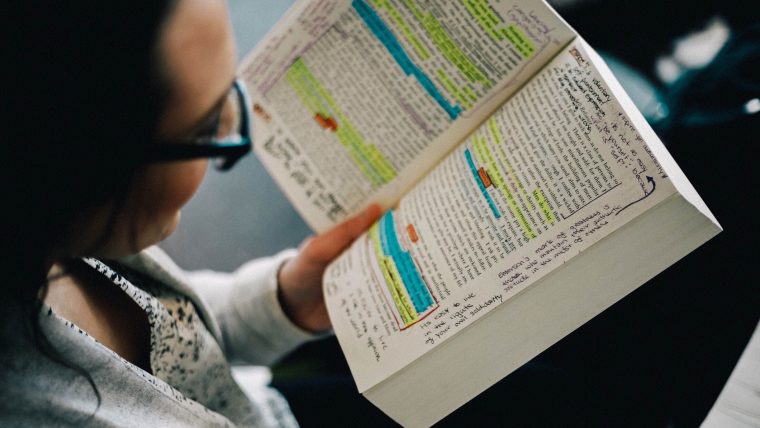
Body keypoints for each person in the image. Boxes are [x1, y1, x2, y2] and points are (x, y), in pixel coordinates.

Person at [1, 0, 380, 426]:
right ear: (80, 163)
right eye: (205, 126)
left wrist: (285, 301)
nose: (231, 130)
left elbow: (174, 342)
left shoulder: (66, 235)